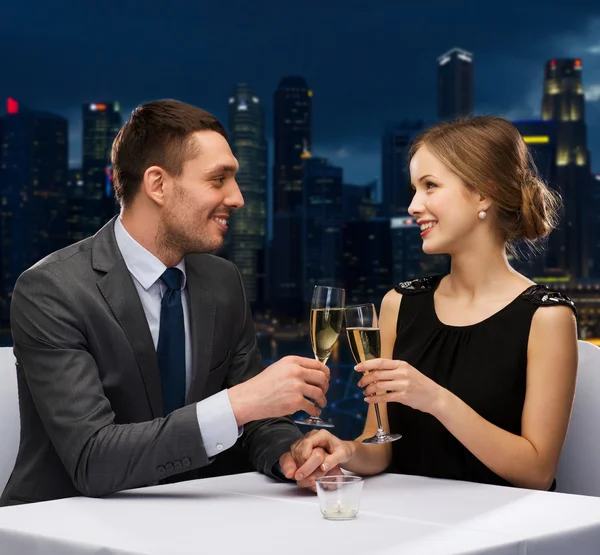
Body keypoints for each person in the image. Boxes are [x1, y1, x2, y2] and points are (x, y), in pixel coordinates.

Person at [1, 99, 330, 506]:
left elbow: (258, 422)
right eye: (218, 179)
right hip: (59, 527)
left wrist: (290, 453)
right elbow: (92, 460)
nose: (238, 198)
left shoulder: (224, 282)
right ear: (157, 185)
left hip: (190, 521)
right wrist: (236, 404)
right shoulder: (51, 290)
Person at [280, 116, 579, 491]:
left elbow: (536, 472)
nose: (413, 206)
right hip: (409, 517)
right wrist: (344, 451)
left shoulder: (546, 316)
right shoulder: (399, 303)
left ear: (484, 193)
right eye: (414, 189)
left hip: (504, 530)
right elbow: (380, 445)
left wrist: (435, 398)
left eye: (430, 186)